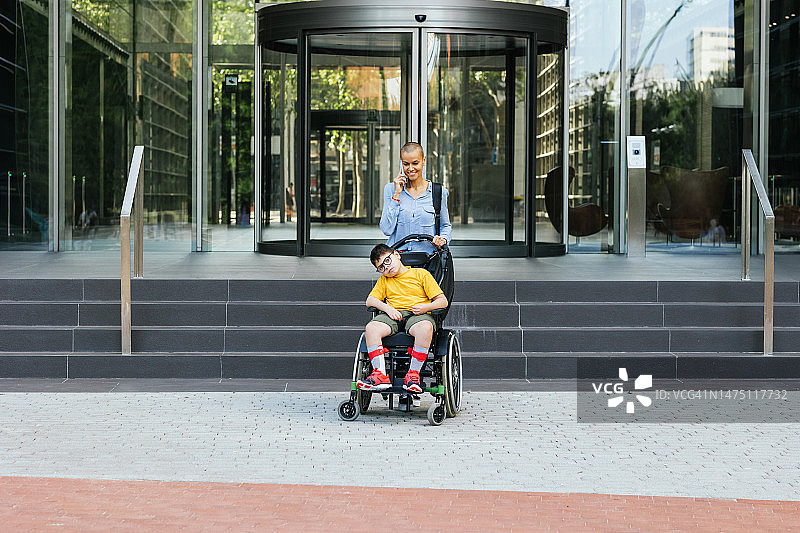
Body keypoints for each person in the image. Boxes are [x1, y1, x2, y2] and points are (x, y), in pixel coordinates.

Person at [357, 243, 448, 393]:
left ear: (397, 255)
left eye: (387, 260)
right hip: (393, 315)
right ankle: (380, 375)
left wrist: (425, 307)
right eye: (381, 267)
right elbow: (370, 301)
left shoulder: (421, 274)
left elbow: (442, 301)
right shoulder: (384, 281)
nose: (386, 268)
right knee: (371, 328)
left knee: (425, 328)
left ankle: (413, 374)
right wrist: (387, 308)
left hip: (418, 315)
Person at [379, 142, 452, 252]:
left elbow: (445, 226)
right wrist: (396, 195)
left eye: (415, 163)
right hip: (399, 261)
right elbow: (386, 230)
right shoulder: (391, 189)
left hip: (427, 260)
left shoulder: (438, 191)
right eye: (406, 164)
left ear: (424, 160)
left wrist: (443, 239)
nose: (410, 168)